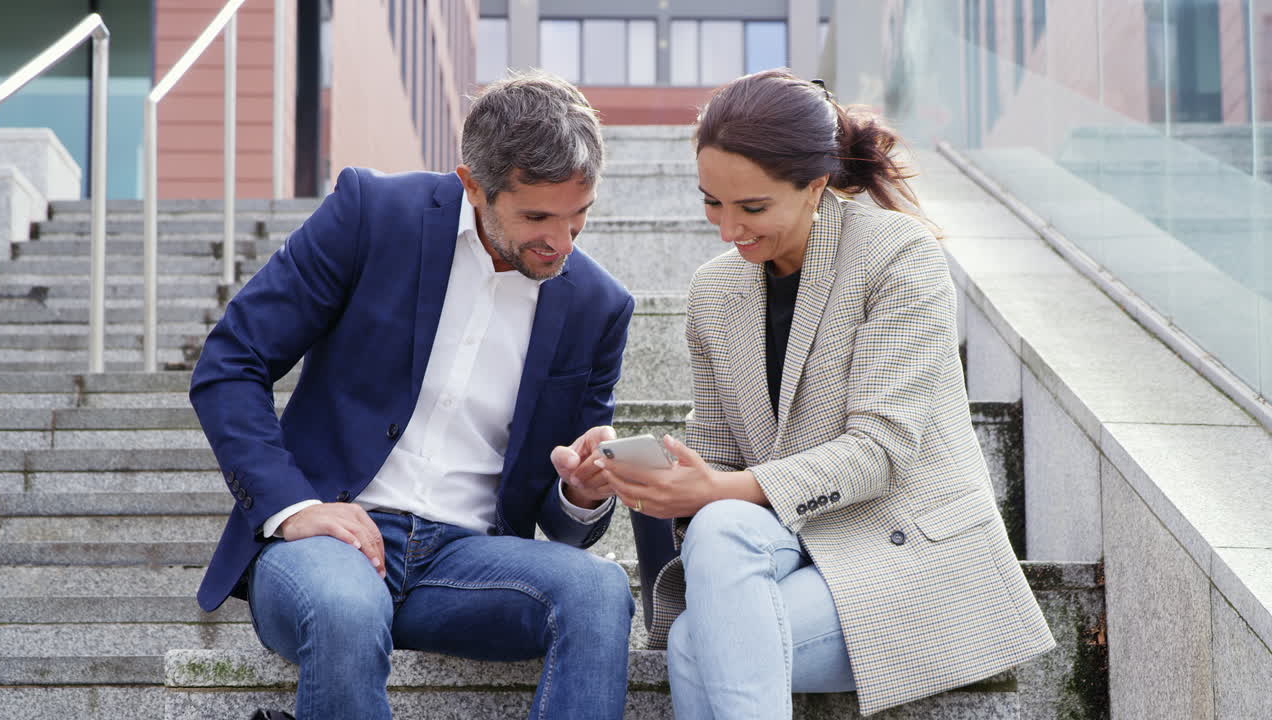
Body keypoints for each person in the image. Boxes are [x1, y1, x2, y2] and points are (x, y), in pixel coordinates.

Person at [190, 71, 651, 720]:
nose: (562, 242)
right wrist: (293, 508)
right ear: (472, 185)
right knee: (346, 608)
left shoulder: (598, 306)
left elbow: (562, 519)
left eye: (580, 216)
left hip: (468, 563)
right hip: (328, 545)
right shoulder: (370, 213)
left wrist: (581, 490)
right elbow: (229, 363)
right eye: (537, 217)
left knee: (600, 590)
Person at [599, 69, 1056, 718]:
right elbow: (723, 447)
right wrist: (633, 461)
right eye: (712, 202)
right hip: (786, 547)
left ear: (815, 186)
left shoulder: (898, 256)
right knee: (722, 530)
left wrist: (721, 490)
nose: (728, 229)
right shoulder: (715, 290)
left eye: (752, 207)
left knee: (700, 634)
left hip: (904, 558)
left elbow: (879, 451)